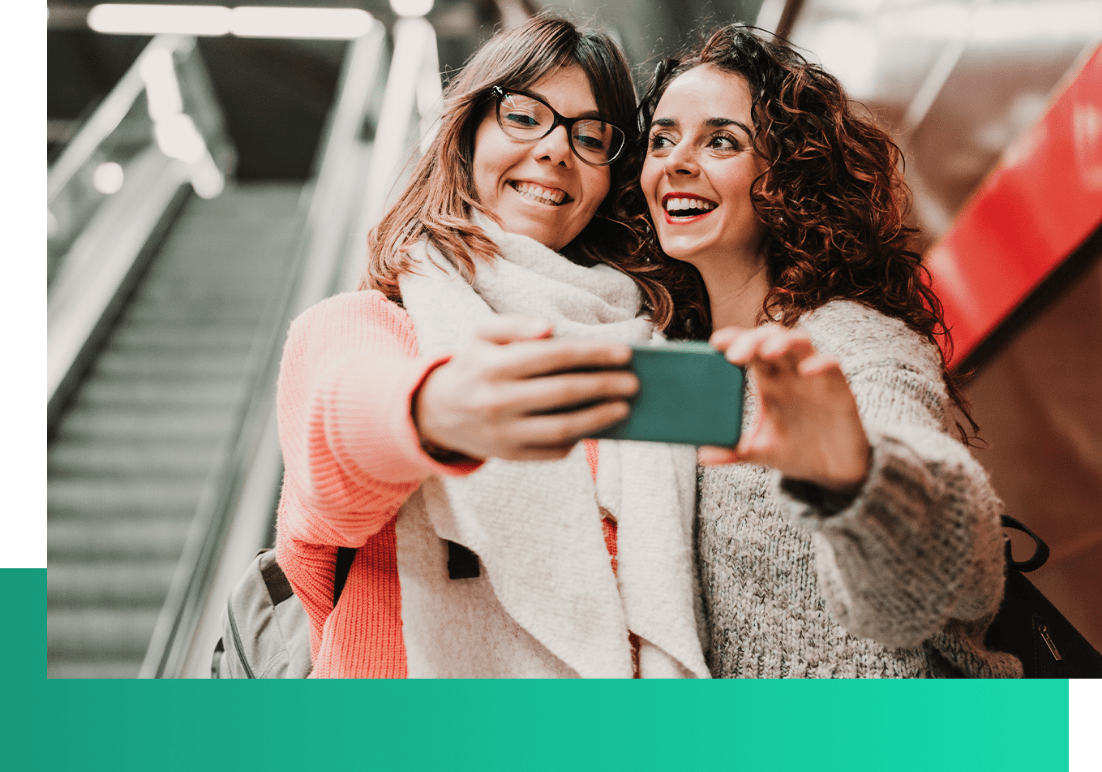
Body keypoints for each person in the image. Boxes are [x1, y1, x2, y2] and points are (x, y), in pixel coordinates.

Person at [274, 15, 710, 678]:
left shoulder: (650, 344)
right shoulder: (368, 325)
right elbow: (338, 438)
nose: (557, 149)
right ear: (468, 132)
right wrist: (434, 409)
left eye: (590, 135)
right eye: (525, 116)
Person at [635, 24, 1022, 677]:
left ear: (786, 176)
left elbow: (966, 561)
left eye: (721, 140)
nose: (676, 160)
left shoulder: (846, 339)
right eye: (662, 139)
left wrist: (859, 478)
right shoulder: (673, 358)